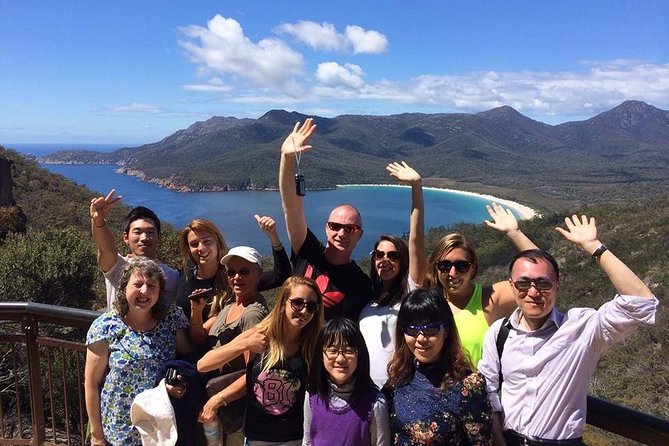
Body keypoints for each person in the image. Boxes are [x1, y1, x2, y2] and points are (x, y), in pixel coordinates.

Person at [478, 215, 658, 445]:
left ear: (557, 285)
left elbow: (641, 302)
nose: (532, 292)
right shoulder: (499, 332)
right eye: (523, 284)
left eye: (542, 283)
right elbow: (488, 392)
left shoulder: (582, 328)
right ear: (511, 285)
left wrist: (594, 247)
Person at [199, 276, 325, 445]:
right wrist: (244, 344)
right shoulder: (260, 333)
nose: (303, 311)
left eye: (310, 306)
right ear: (283, 303)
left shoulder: (314, 343)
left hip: (295, 437)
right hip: (257, 436)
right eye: (297, 303)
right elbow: (203, 365)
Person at [84, 257, 192, 446]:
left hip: (160, 426)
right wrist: (96, 434)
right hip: (118, 428)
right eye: (138, 284)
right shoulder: (105, 326)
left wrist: (179, 383)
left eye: (151, 286)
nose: (144, 291)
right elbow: (91, 384)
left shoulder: (172, 319)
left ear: (160, 291)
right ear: (124, 287)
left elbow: (187, 361)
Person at [278, 118, 372, 321]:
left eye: (350, 228)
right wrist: (287, 158)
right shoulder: (308, 252)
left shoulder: (361, 283)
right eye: (335, 226)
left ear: (360, 234)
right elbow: (292, 209)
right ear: (327, 228)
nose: (341, 233)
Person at [424, 202, 537, 366]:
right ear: (436, 267)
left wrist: (515, 234)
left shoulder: (490, 300)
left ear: (473, 268)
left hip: (482, 391)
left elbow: (541, 275)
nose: (453, 273)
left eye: (462, 266)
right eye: (445, 266)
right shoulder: (429, 303)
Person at [386, 287, 492, 445]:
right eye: (412, 330)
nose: (421, 338)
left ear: (446, 330)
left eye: (430, 329)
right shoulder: (396, 382)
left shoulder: (469, 385)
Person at [359, 161, 426, 388]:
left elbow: (416, 239)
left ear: (403, 260)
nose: (385, 260)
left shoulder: (410, 291)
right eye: (379, 255)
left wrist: (416, 187)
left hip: (399, 390)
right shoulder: (367, 297)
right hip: (365, 392)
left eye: (393, 256)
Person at [176, 216, 290, 346]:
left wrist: (273, 237)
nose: (201, 248)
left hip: (215, 355)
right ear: (188, 249)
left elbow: (280, 276)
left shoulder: (235, 280)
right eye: (194, 244)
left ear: (217, 243)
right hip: (181, 351)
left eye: (207, 241)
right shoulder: (183, 276)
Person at [303, 318, 390, 446]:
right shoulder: (311, 396)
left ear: (360, 355)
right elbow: (307, 441)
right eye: (332, 351)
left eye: (349, 351)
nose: (340, 358)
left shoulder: (375, 403)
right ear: (321, 356)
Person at [90, 189, 180, 309]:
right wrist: (98, 222)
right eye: (137, 232)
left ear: (159, 238)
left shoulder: (172, 276)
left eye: (150, 232)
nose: (144, 238)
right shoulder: (116, 267)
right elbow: (106, 248)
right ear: (126, 238)